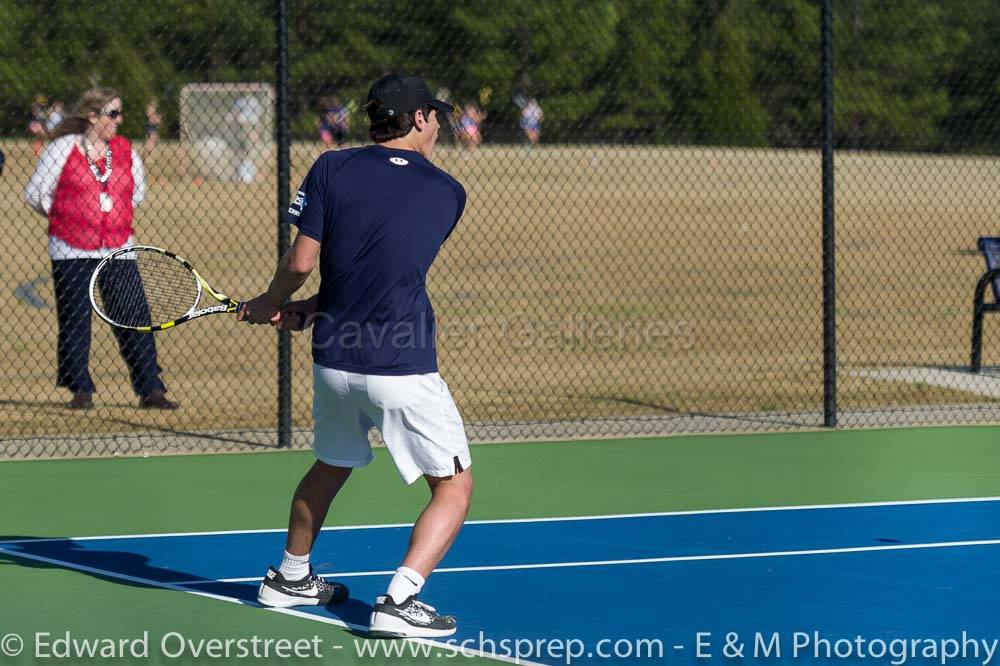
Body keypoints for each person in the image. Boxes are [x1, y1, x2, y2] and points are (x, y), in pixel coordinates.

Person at [239, 73, 471, 639]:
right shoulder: (448, 193)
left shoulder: (330, 167)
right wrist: (296, 301)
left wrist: (281, 304)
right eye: (434, 115)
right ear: (417, 119)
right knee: (454, 486)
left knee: (332, 463)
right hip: (401, 363)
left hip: (334, 362)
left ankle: (291, 577)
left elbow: (305, 263)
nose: (438, 124)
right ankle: (399, 600)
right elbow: (388, 272)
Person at [24, 87, 177, 411]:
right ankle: (80, 389)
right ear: (92, 116)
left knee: (134, 316)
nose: (119, 121)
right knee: (75, 319)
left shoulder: (125, 151)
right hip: (70, 246)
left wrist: (111, 212)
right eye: (113, 113)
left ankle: (151, 388)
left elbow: (137, 194)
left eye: (120, 113)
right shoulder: (63, 148)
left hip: (118, 246)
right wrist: (67, 213)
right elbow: (36, 193)